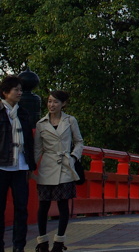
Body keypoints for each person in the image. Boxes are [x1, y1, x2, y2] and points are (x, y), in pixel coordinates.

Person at [33, 90, 84, 252]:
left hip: (65, 166)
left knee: (63, 205)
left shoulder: (70, 121)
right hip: (47, 167)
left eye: (55, 102)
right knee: (43, 206)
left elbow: (79, 142)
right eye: (49, 101)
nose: (51, 105)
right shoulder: (41, 124)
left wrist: (74, 157)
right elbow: (37, 149)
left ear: (63, 104)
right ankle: (42, 242)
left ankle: (59, 242)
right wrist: (30, 168)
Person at [0, 75, 37, 252]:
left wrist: (31, 165)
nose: (20, 92)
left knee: (21, 208)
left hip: (20, 165)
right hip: (2, 165)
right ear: (5, 92)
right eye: (16, 89)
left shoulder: (22, 113)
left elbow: (29, 141)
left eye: (21, 89)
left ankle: (18, 246)